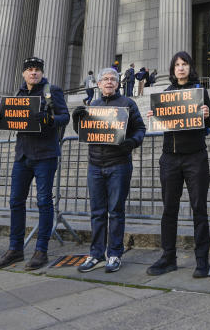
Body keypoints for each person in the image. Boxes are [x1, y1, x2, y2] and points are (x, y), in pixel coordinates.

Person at [0, 56, 70, 271]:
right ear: (24, 73)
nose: (33, 73)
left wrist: (49, 119)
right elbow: (12, 119)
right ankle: (15, 249)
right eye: (29, 70)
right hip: (22, 156)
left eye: (37, 69)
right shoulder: (18, 94)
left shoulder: (51, 91)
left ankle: (41, 251)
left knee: (44, 202)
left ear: (42, 72)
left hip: (45, 155)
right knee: (16, 201)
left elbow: (65, 117)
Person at [146, 51, 210, 278]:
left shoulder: (199, 91)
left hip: (195, 156)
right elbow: (162, 122)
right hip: (170, 158)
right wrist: (154, 116)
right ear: (172, 69)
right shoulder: (166, 94)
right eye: (177, 64)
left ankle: (202, 260)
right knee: (169, 209)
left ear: (190, 67)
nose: (181, 68)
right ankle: (168, 257)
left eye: (184, 64)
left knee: (199, 208)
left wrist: (206, 114)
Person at [74, 68, 146, 274]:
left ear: (118, 83)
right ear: (98, 84)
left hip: (119, 165)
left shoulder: (128, 104)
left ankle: (114, 254)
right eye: (105, 79)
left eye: (113, 79)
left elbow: (141, 129)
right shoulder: (93, 106)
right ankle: (96, 254)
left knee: (115, 212)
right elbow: (84, 133)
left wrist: (131, 142)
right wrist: (76, 120)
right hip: (95, 165)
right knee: (97, 213)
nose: (109, 82)